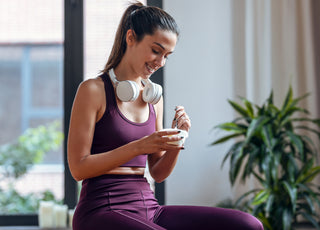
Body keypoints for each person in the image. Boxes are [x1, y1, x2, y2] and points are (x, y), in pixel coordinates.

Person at [68, 2, 264, 230]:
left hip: (149, 208)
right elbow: (78, 168)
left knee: (248, 225)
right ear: (131, 38)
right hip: (101, 210)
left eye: (166, 56)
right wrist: (139, 146)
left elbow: (158, 173)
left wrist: (177, 140)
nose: (160, 62)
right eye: (156, 50)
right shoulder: (93, 90)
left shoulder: (154, 98)